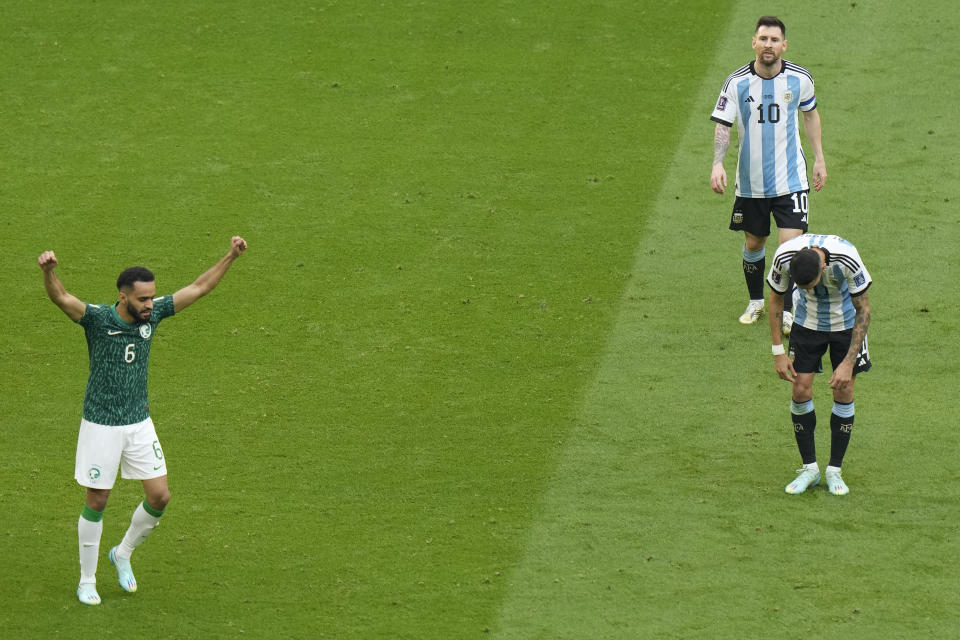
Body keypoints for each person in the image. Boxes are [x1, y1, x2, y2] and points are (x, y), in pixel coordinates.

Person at [38, 236, 248, 605]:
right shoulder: (98, 320)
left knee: (160, 495)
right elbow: (62, 298)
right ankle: (87, 580)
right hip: (101, 424)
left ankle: (122, 553)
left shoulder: (155, 316)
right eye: (143, 299)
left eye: (152, 298)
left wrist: (230, 255)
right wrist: (50, 271)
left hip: (138, 422)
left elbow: (199, 288)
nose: (150, 304)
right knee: (98, 500)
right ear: (123, 296)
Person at [710, 15, 827, 334]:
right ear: (754, 42)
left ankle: (789, 310)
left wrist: (819, 158)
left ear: (784, 45)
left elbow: (811, 116)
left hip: (791, 180)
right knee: (754, 243)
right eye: (763, 39)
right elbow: (724, 125)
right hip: (751, 183)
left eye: (775, 40)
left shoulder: (800, 79)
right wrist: (717, 163)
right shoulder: (736, 82)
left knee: (791, 246)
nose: (768, 45)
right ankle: (755, 301)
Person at [767, 234, 871, 495]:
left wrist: (848, 363)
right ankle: (810, 468)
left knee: (843, 390)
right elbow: (777, 299)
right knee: (800, 389)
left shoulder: (847, 257)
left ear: (823, 268)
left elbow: (864, 310)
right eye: (801, 287)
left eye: (810, 285)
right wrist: (778, 351)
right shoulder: (784, 255)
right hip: (806, 324)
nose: (806, 290)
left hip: (846, 325)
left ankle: (834, 470)